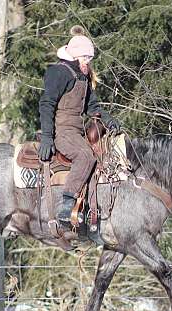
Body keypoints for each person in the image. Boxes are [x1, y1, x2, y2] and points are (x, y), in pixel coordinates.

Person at [38, 26, 120, 222]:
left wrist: (108, 120)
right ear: (75, 56)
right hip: (62, 132)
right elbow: (46, 103)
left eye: (90, 58)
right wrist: (48, 137)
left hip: (77, 132)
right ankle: (67, 204)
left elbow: (92, 106)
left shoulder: (82, 77)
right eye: (85, 58)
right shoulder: (59, 72)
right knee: (85, 156)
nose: (88, 62)